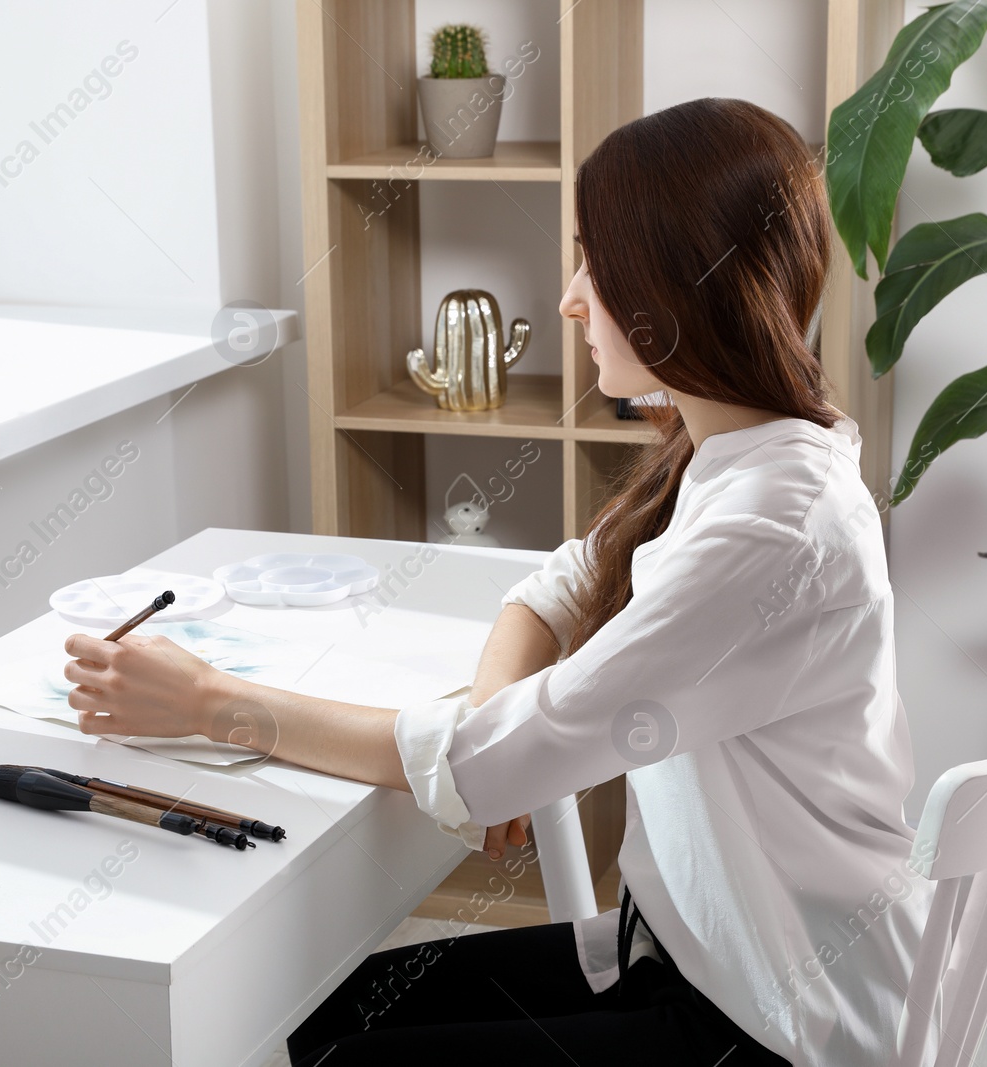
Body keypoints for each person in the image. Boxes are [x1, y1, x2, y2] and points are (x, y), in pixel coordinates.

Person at [62, 97, 931, 1066]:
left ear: (674, 291)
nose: (568, 298)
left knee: (341, 1052)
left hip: (775, 1022)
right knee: (324, 1015)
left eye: (593, 265)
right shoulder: (740, 449)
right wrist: (500, 722)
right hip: (702, 955)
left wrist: (210, 700)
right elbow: (557, 586)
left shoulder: (769, 532)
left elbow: (482, 758)